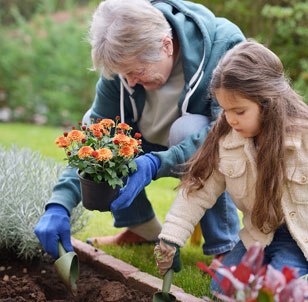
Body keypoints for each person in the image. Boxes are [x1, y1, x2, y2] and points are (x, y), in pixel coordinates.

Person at [154, 40, 308, 299]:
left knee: (279, 299)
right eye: (225, 110)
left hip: (306, 240)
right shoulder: (226, 139)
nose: (230, 119)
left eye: (239, 110)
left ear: (269, 102)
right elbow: (197, 190)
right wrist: (170, 238)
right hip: (259, 236)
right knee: (223, 292)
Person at [34, 0, 244, 260]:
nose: (131, 81)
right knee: (102, 130)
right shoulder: (122, 68)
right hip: (146, 141)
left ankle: (225, 247)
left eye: (137, 71)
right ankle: (142, 229)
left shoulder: (223, 46)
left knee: (188, 129)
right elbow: (95, 133)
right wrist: (59, 204)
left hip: (194, 140)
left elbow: (224, 133)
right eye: (124, 75)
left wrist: (155, 163)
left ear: (166, 45)